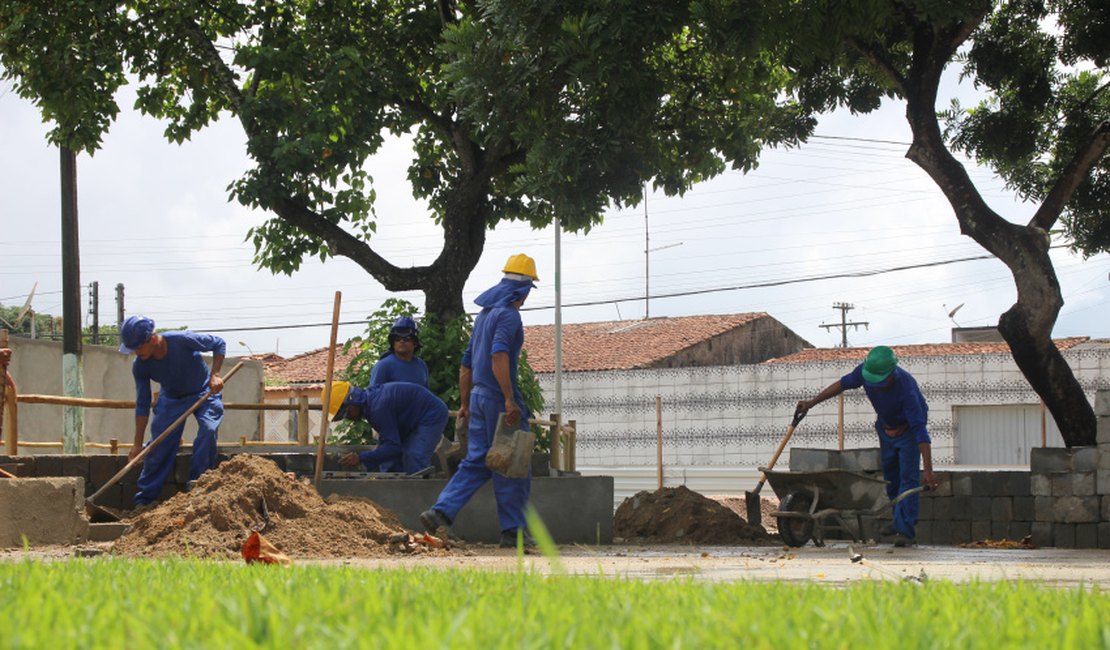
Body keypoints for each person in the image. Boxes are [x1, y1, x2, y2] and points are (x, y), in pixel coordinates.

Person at [420, 253, 540, 548]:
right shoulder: (509, 316)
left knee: (476, 461)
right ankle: (514, 531)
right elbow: (498, 355)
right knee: (511, 463)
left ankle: (441, 511)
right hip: (499, 400)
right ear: (523, 289)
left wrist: (464, 403)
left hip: (477, 398)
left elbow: (466, 365)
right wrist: (510, 400)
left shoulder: (484, 316)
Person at [795, 345, 938, 547]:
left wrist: (930, 471)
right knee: (891, 478)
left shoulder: (907, 388)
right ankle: (898, 520)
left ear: (892, 374)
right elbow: (841, 385)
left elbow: (920, 431)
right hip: (885, 428)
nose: (875, 385)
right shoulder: (864, 371)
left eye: (880, 381)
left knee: (908, 478)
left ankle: (906, 531)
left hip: (907, 433)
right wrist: (811, 403)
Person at [120, 315, 226, 507]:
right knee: (159, 445)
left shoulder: (181, 340)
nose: (136, 353)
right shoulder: (141, 366)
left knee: (208, 431)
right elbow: (142, 403)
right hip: (171, 398)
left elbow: (219, 343)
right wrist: (137, 445)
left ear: (152, 339)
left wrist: (215, 375)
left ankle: (198, 488)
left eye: (138, 348)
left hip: (204, 391)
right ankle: (145, 500)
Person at [328, 380, 449, 474]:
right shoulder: (370, 403)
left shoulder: (377, 408)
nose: (347, 417)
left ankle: (422, 498)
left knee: (414, 455)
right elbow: (389, 445)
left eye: (346, 413)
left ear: (352, 400)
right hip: (411, 418)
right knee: (391, 459)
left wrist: (360, 458)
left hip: (431, 414)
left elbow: (393, 447)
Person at [369, 316, 429, 388]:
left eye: (407, 338)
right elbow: (373, 396)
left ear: (415, 343)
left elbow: (426, 395)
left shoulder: (421, 365)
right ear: (393, 343)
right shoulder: (383, 366)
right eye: (397, 338)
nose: (402, 341)